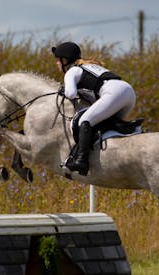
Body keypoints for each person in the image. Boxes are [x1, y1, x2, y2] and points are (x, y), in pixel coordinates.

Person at [52, 41, 136, 176]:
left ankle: (82, 161)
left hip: (113, 92)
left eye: (58, 60)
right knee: (104, 123)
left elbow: (71, 93)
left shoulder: (72, 71)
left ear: (65, 60)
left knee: (84, 120)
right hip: (128, 92)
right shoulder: (89, 66)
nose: (56, 63)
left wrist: (64, 90)